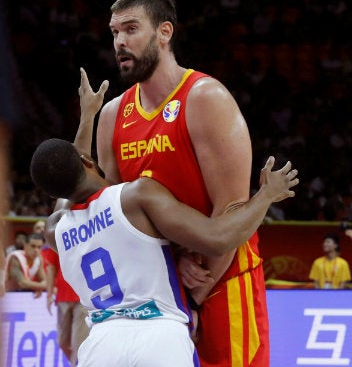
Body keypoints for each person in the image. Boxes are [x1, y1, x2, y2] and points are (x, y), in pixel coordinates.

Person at [78, 0, 271, 365]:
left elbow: (232, 207)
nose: (120, 41)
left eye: (132, 29)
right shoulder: (113, 116)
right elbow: (115, 220)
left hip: (221, 279)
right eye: (115, 32)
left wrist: (194, 294)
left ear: (165, 32)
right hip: (156, 291)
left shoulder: (205, 97)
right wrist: (172, 284)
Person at [30, 137, 298, 366]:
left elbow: (65, 185)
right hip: (159, 335)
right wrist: (266, 195)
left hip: (100, 344)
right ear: (86, 160)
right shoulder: (135, 197)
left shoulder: (55, 229)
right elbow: (219, 239)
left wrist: (87, 118)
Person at [44, 246, 89, 366]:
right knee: (62, 342)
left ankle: (77, 364)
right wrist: (49, 295)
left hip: (82, 297)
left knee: (78, 342)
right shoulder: (55, 235)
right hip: (63, 297)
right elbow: (51, 267)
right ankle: (76, 363)